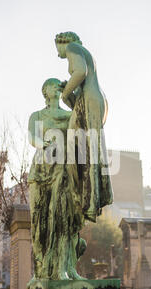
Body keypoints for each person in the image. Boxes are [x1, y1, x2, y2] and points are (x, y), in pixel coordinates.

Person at [27, 78, 86, 282]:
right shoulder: (37, 115)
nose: (56, 87)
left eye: (57, 85)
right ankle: (40, 271)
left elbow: (84, 117)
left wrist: (74, 90)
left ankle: (64, 267)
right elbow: (31, 136)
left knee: (62, 219)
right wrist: (42, 143)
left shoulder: (69, 116)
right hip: (40, 171)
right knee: (38, 223)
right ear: (45, 91)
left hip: (61, 170)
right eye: (52, 85)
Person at [55, 31, 113, 223]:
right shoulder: (87, 54)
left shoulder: (73, 48)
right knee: (88, 150)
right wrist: (70, 90)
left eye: (57, 48)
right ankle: (89, 199)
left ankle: (87, 201)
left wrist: (65, 93)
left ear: (63, 43)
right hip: (96, 100)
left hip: (91, 100)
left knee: (83, 151)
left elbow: (80, 72)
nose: (58, 54)